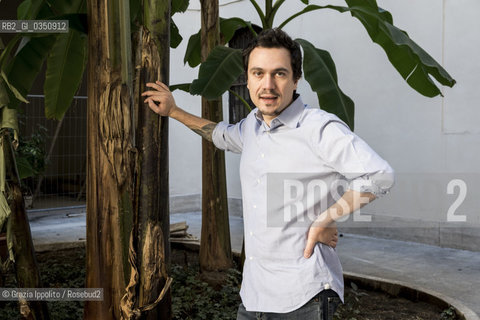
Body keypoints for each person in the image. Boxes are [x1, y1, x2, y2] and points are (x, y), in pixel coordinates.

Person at [142, 28, 394, 320]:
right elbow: (221, 135)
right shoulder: (252, 126)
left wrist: (325, 219)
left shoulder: (319, 127)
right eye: (258, 73)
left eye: (280, 74)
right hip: (254, 296)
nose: (268, 84)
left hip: (303, 295)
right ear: (247, 79)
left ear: (296, 79)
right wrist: (174, 111)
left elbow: (380, 175)